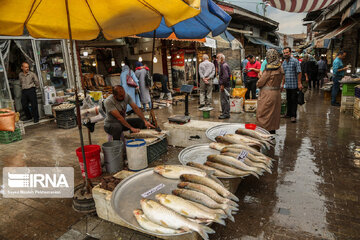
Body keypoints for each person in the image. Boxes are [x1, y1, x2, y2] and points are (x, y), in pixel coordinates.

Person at [256, 49, 284, 134]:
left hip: (267, 95)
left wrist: (259, 78)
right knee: (273, 115)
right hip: (276, 94)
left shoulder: (269, 69)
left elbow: (260, 83)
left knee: (264, 114)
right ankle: (272, 132)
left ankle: (264, 134)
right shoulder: (280, 67)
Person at [281, 47, 302, 123]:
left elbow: (299, 72)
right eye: (284, 53)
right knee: (288, 100)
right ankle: (288, 114)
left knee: (294, 101)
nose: (285, 54)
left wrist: (299, 83)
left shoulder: (295, 61)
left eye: (287, 52)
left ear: (290, 52)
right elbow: (283, 74)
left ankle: (293, 116)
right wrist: (282, 84)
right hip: (288, 85)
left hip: (294, 85)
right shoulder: (283, 63)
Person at [217, 53, 231, 119]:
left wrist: (222, 85)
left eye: (217, 58)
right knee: (225, 100)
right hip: (226, 85)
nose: (216, 59)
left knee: (224, 100)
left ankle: (225, 114)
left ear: (221, 58)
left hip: (225, 86)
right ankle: (225, 113)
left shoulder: (224, 66)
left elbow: (225, 77)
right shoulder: (223, 65)